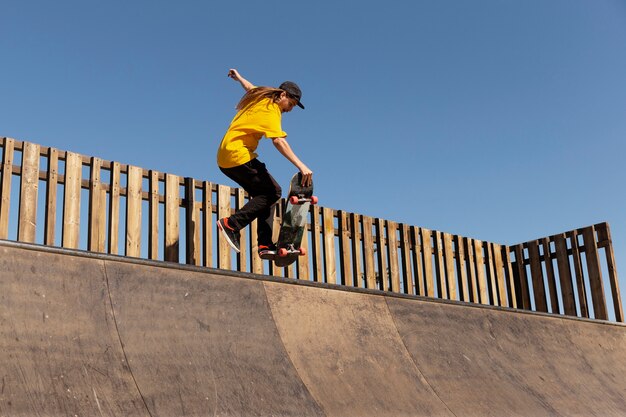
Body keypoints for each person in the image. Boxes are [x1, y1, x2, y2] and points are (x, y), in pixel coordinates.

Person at [216, 69, 313, 259]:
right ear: (282, 95)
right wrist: (301, 166)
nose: (289, 109)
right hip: (238, 155)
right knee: (273, 192)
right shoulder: (271, 110)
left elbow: (250, 87)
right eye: (290, 104)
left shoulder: (260, 97)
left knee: (266, 194)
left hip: (225, 157)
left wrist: (239, 78)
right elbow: (278, 141)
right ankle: (231, 224)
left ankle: (265, 244)